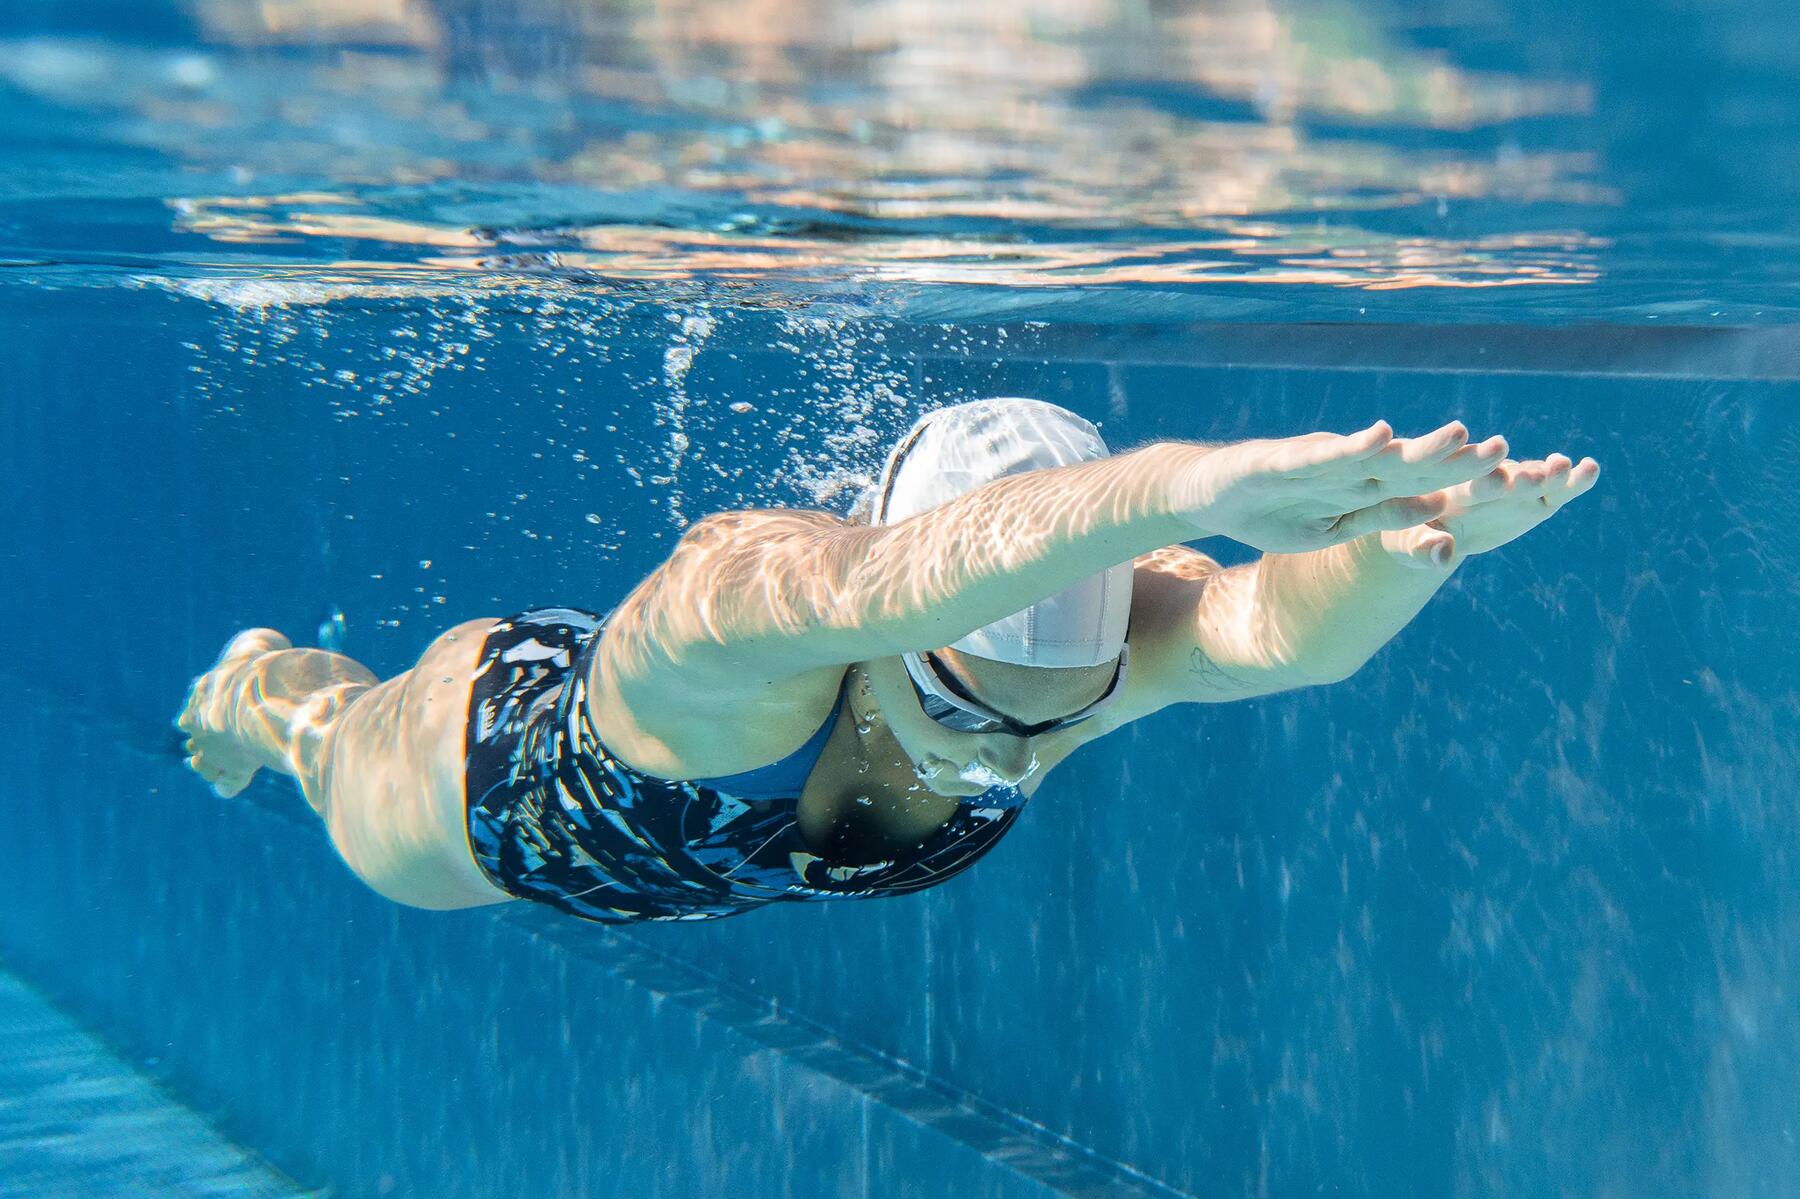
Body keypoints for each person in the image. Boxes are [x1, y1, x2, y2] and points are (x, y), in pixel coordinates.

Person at [177, 399, 1599, 921]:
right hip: (491, 789)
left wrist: (1415, 549)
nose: (1004, 764)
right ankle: (254, 691)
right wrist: (1189, 485)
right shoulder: (732, 636)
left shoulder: (1081, 665)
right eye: (962, 719)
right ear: (885, 647)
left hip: (679, 849)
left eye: (1054, 723)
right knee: (320, 757)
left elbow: (1276, 636)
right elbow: (861, 584)